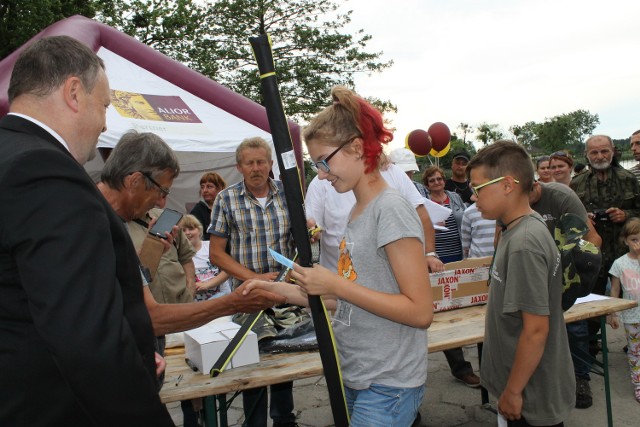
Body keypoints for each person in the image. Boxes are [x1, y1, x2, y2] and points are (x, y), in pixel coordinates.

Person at [0, 36, 174, 425]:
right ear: (74, 93)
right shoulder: (44, 171)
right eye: (105, 105)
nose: (105, 123)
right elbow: (84, 337)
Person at [243, 85, 433, 427]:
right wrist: (277, 290)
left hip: (388, 383)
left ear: (357, 148)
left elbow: (420, 311)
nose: (322, 173)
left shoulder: (389, 210)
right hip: (360, 373)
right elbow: (348, 298)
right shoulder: (357, 211)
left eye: (324, 162)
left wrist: (336, 284)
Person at [98, 131, 286, 337]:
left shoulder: (119, 221)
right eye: (163, 192)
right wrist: (233, 302)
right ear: (135, 182)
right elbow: (149, 316)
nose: (160, 202)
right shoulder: (90, 220)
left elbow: (132, 285)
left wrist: (152, 251)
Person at [468, 140, 575, 426]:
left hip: (530, 393)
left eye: (477, 189)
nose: (472, 198)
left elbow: (536, 329)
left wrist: (514, 391)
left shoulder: (523, 245)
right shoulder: (515, 228)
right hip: (523, 383)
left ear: (506, 185)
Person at [209, 137, 299, 427]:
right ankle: (255, 423)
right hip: (249, 296)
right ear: (240, 166)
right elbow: (216, 254)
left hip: (286, 294)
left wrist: (310, 235)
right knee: (253, 362)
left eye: (261, 161)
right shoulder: (226, 199)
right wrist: (255, 279)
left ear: (271, 164)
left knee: (286, 358)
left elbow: (299, 241)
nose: (257, 168)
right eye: (250, 163)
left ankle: (284, 420)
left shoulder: (289, 194)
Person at [529, 180, 602, 409]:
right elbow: (500, 240)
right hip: (535, 273)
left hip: (567, 270)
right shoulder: (508, 199)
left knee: (575, 327)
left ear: (533, 184)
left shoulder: (560, 195)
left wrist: (578, 280)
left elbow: (592, 239)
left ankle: (581, 378)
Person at [570, 135, 640, 353]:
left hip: (625, 253)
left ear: (613, 151)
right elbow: (568, 218)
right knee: (591, 301)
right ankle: (590, 346)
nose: (599, 156)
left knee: (633, 297)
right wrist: (584, 220)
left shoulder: (628, 178)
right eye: (594, 152)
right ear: (586, 155)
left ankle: (635, 342)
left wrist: (625, 214)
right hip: (592, 254)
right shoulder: (577, 183)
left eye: (604, 151)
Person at [422, 166, 481, 387]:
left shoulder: (455, 197)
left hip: (458, 256)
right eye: (432, 180)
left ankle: (484, 362)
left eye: (439, 179)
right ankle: (461, 368)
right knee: (444, 311)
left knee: (467, 307)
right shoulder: (422, 203)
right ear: (427, 184)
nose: (437, 182)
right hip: (436, 260)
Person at [606, 217, 640, 404]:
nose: (638, 244)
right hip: (631, 316)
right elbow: (615, 290)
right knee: (635, 352)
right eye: (634, 239)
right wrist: (612, 313)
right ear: (625, 240)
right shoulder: (619, 264)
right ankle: (638, 385)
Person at [180, 214, 231, 300]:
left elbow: (228, 270)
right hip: (195, 303)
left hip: (222, 298)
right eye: (183, 230)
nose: (187, 233)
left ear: (199, 230)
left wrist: (207, 284)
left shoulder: (211, 246)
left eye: (191, 229)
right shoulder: (177, 254)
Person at [190, 172, 227, 240]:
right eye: (202, 187)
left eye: (209, 187)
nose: (205, 190)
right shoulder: (197, 210)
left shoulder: (227, 208)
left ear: (220, 188)